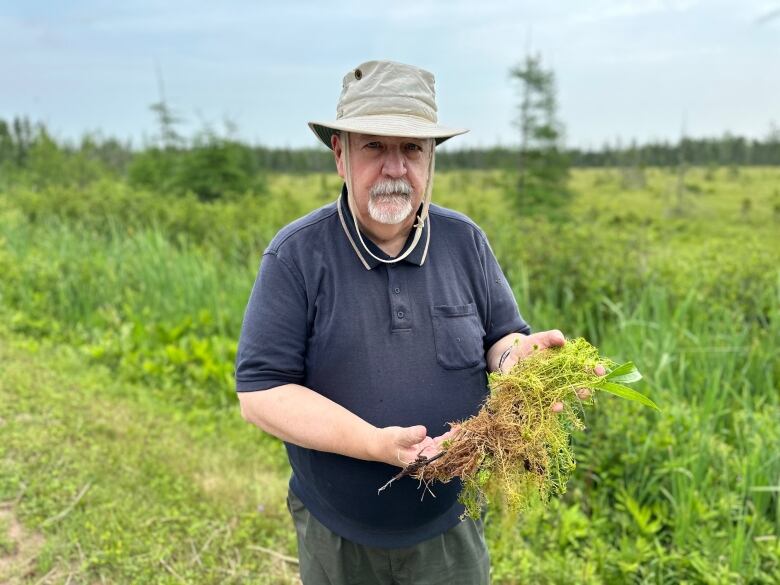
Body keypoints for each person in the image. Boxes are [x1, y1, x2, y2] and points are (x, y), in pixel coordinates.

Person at [234, 60, 574, 585]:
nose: (396, 168)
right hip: (337, 534)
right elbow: (261, 394)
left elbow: (501, 340)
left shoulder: (465, 243)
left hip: (449, 527)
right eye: (375, 146)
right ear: (340, 156)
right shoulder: (297, 256)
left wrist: (516, 360)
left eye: (412, 149)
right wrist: (375, 443)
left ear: (431, 159)